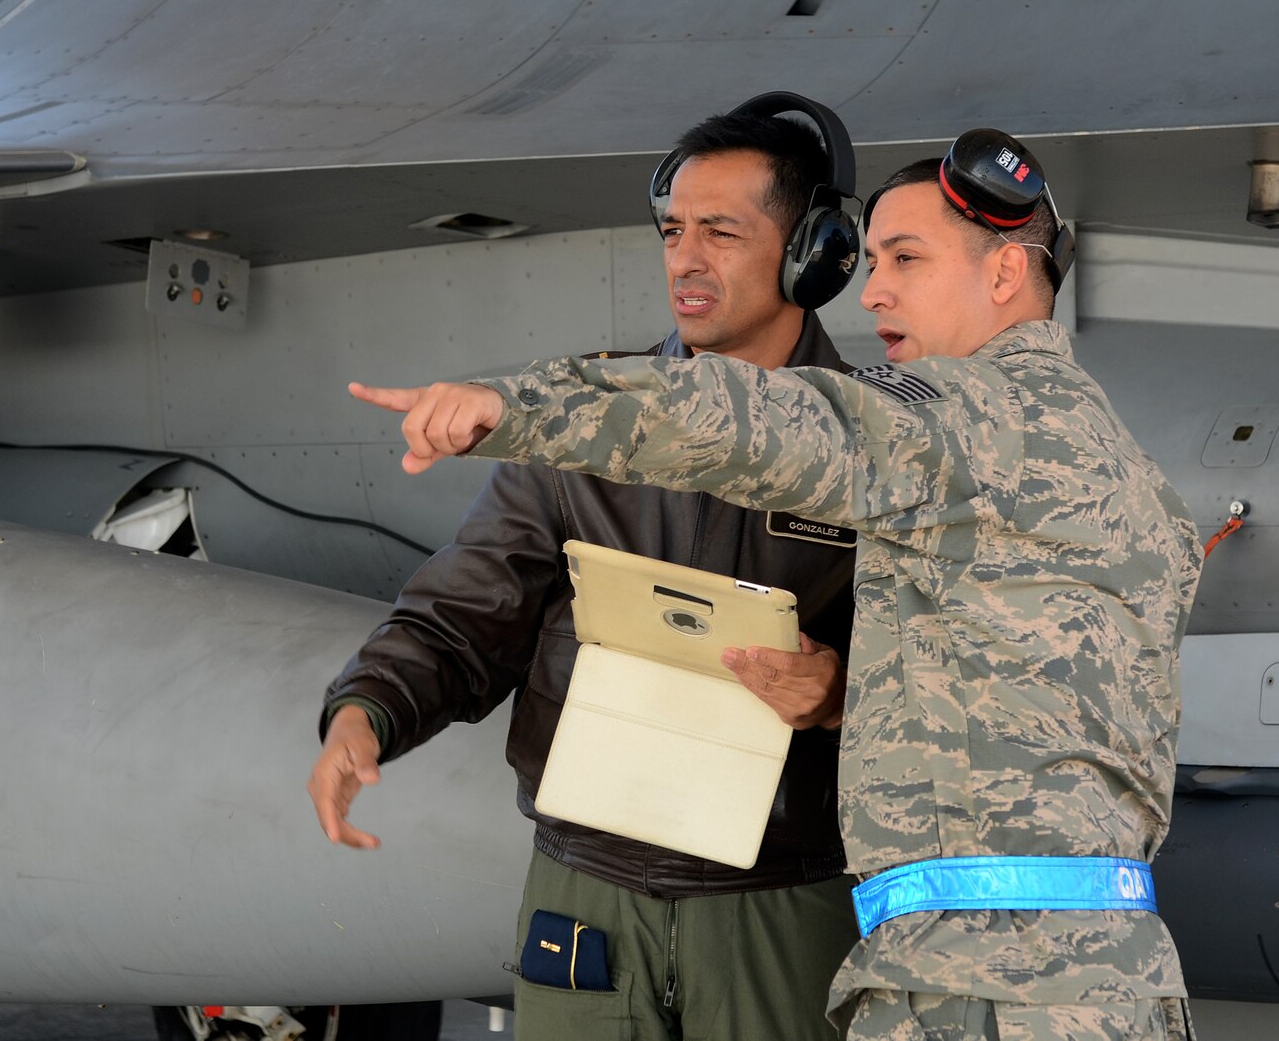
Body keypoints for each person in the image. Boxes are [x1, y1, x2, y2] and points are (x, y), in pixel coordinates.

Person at [349, 133, 1201, 1041]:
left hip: (977, 988)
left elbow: (765, 418)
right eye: (871, 261)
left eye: (906, 259)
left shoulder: (959, 420)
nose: (872, 292)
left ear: (1003, 276)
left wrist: (519, 411)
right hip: (1116, 985)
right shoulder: (1140, 483)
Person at [308, 94, 870, 1040]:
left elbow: (951, 663)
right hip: (586, 889)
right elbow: (465, 610)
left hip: (783, 896)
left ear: (811, 253)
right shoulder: (581, 421)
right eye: (673, 230)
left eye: (721, 232)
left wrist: (842, 689)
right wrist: (365, 712)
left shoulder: (878, 443)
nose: (685, 259)